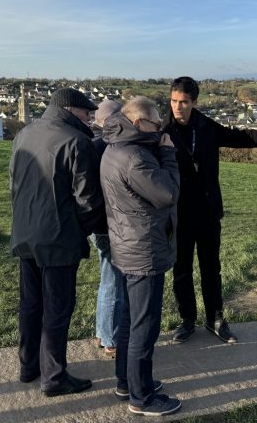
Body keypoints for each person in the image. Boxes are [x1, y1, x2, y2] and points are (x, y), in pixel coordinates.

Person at [164, 76, 257, 344]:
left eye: (183, 102)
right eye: (173, 101)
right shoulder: (162, 130)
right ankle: (187, 320)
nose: (177, 107)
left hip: (207, 212)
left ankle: (215, 319)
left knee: (211, 268)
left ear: (194, 102)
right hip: (178, 214)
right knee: (181, 270)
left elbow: (241, 137)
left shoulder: (205, 127)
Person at [10, 87, 104, 397]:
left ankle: (29, 366)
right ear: (71, 110)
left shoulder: (24, 134)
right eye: (87, 113)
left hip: (26, 233)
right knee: (57, 308)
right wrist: (84, 230)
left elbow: (14, 182)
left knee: (30, 304)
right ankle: (53, 376)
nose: (90, 118)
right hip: (59, 239)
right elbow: (88, 200)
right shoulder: (76, 141)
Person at [101, 96, 182, 416]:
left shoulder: (114, 148)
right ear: (137, 123)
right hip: (144, 249)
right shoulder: (136, 157)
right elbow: (167, 194)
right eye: (155, 124)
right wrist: (168, 154)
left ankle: (127, 381)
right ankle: (142, 397)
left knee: (128, 319)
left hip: (126, 244)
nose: (160, 129)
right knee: (144, 326)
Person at [88, 99, 124, 360]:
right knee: (113, 282)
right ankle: (111, 337)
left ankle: (103, 332)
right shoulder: (109, 147)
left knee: (107, 280)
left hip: (95, 224)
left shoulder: (90, 145)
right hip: (109, 224)